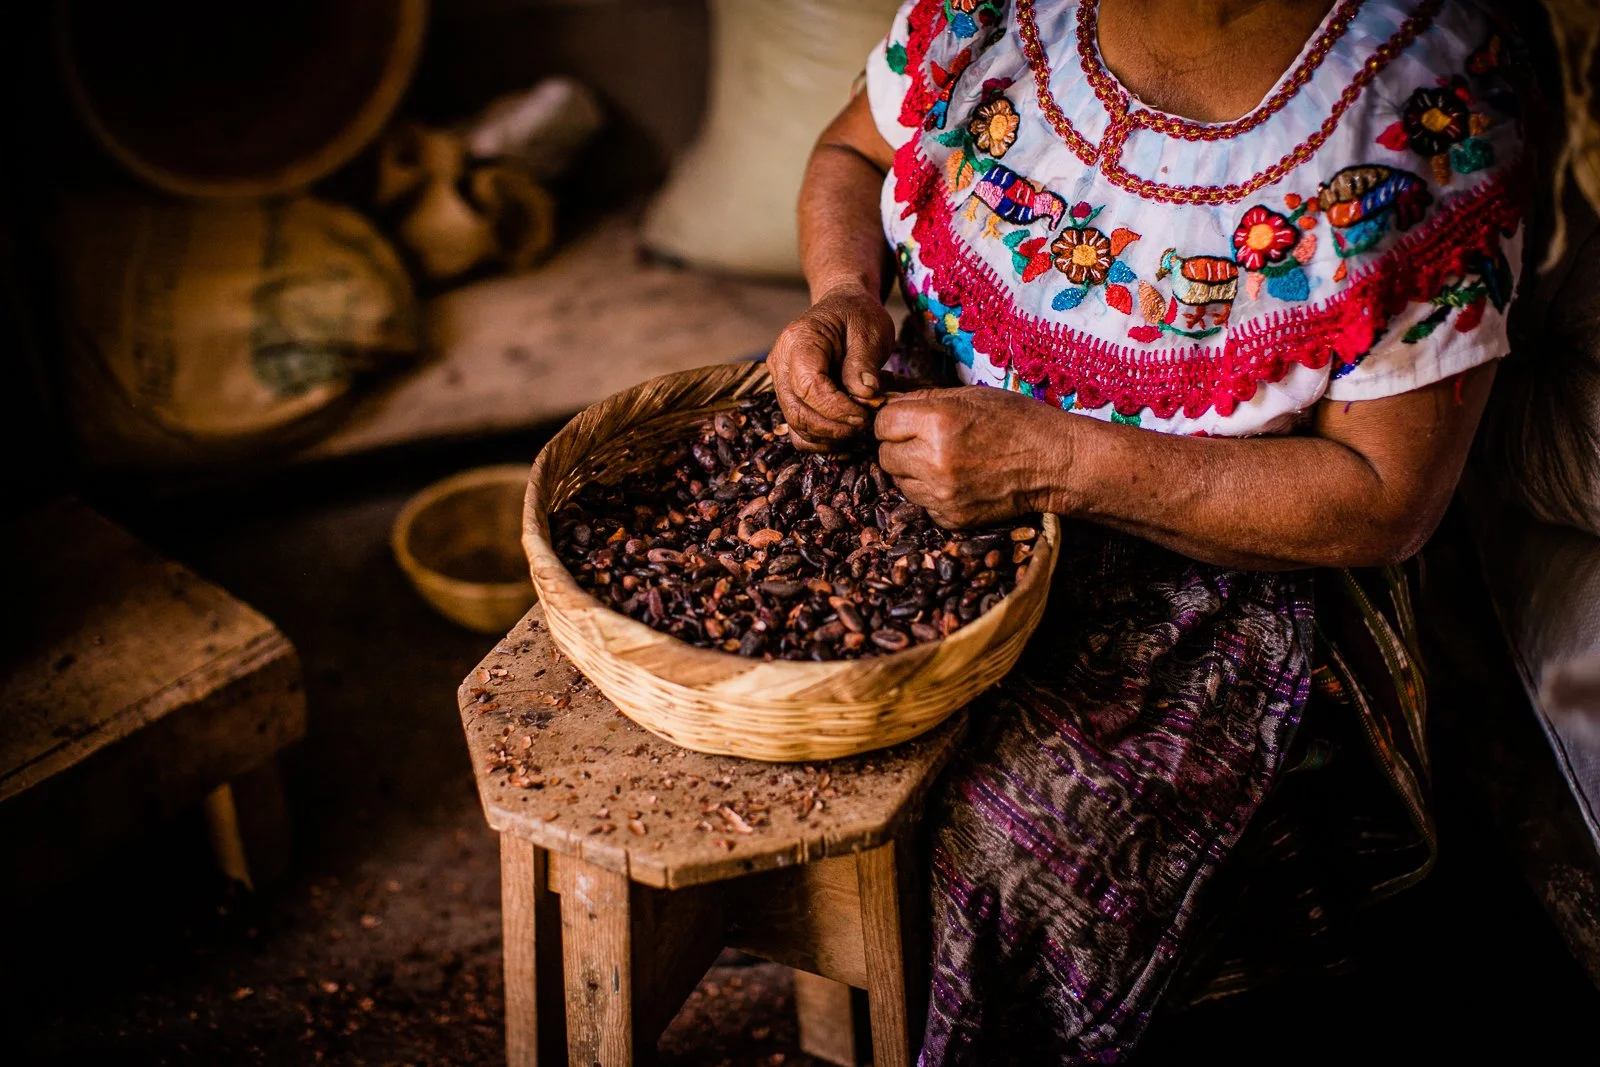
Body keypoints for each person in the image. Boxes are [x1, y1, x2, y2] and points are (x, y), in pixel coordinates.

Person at [765, 0, 1527, 1061]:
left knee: (998, 843)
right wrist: (844, 296)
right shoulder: (992, 16)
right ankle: (849, 1019)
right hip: (931, 456)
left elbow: (1385, 495)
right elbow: (854, 148)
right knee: (778, 706)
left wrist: (1061, 462)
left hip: (1210, 563)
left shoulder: (1416, 111)